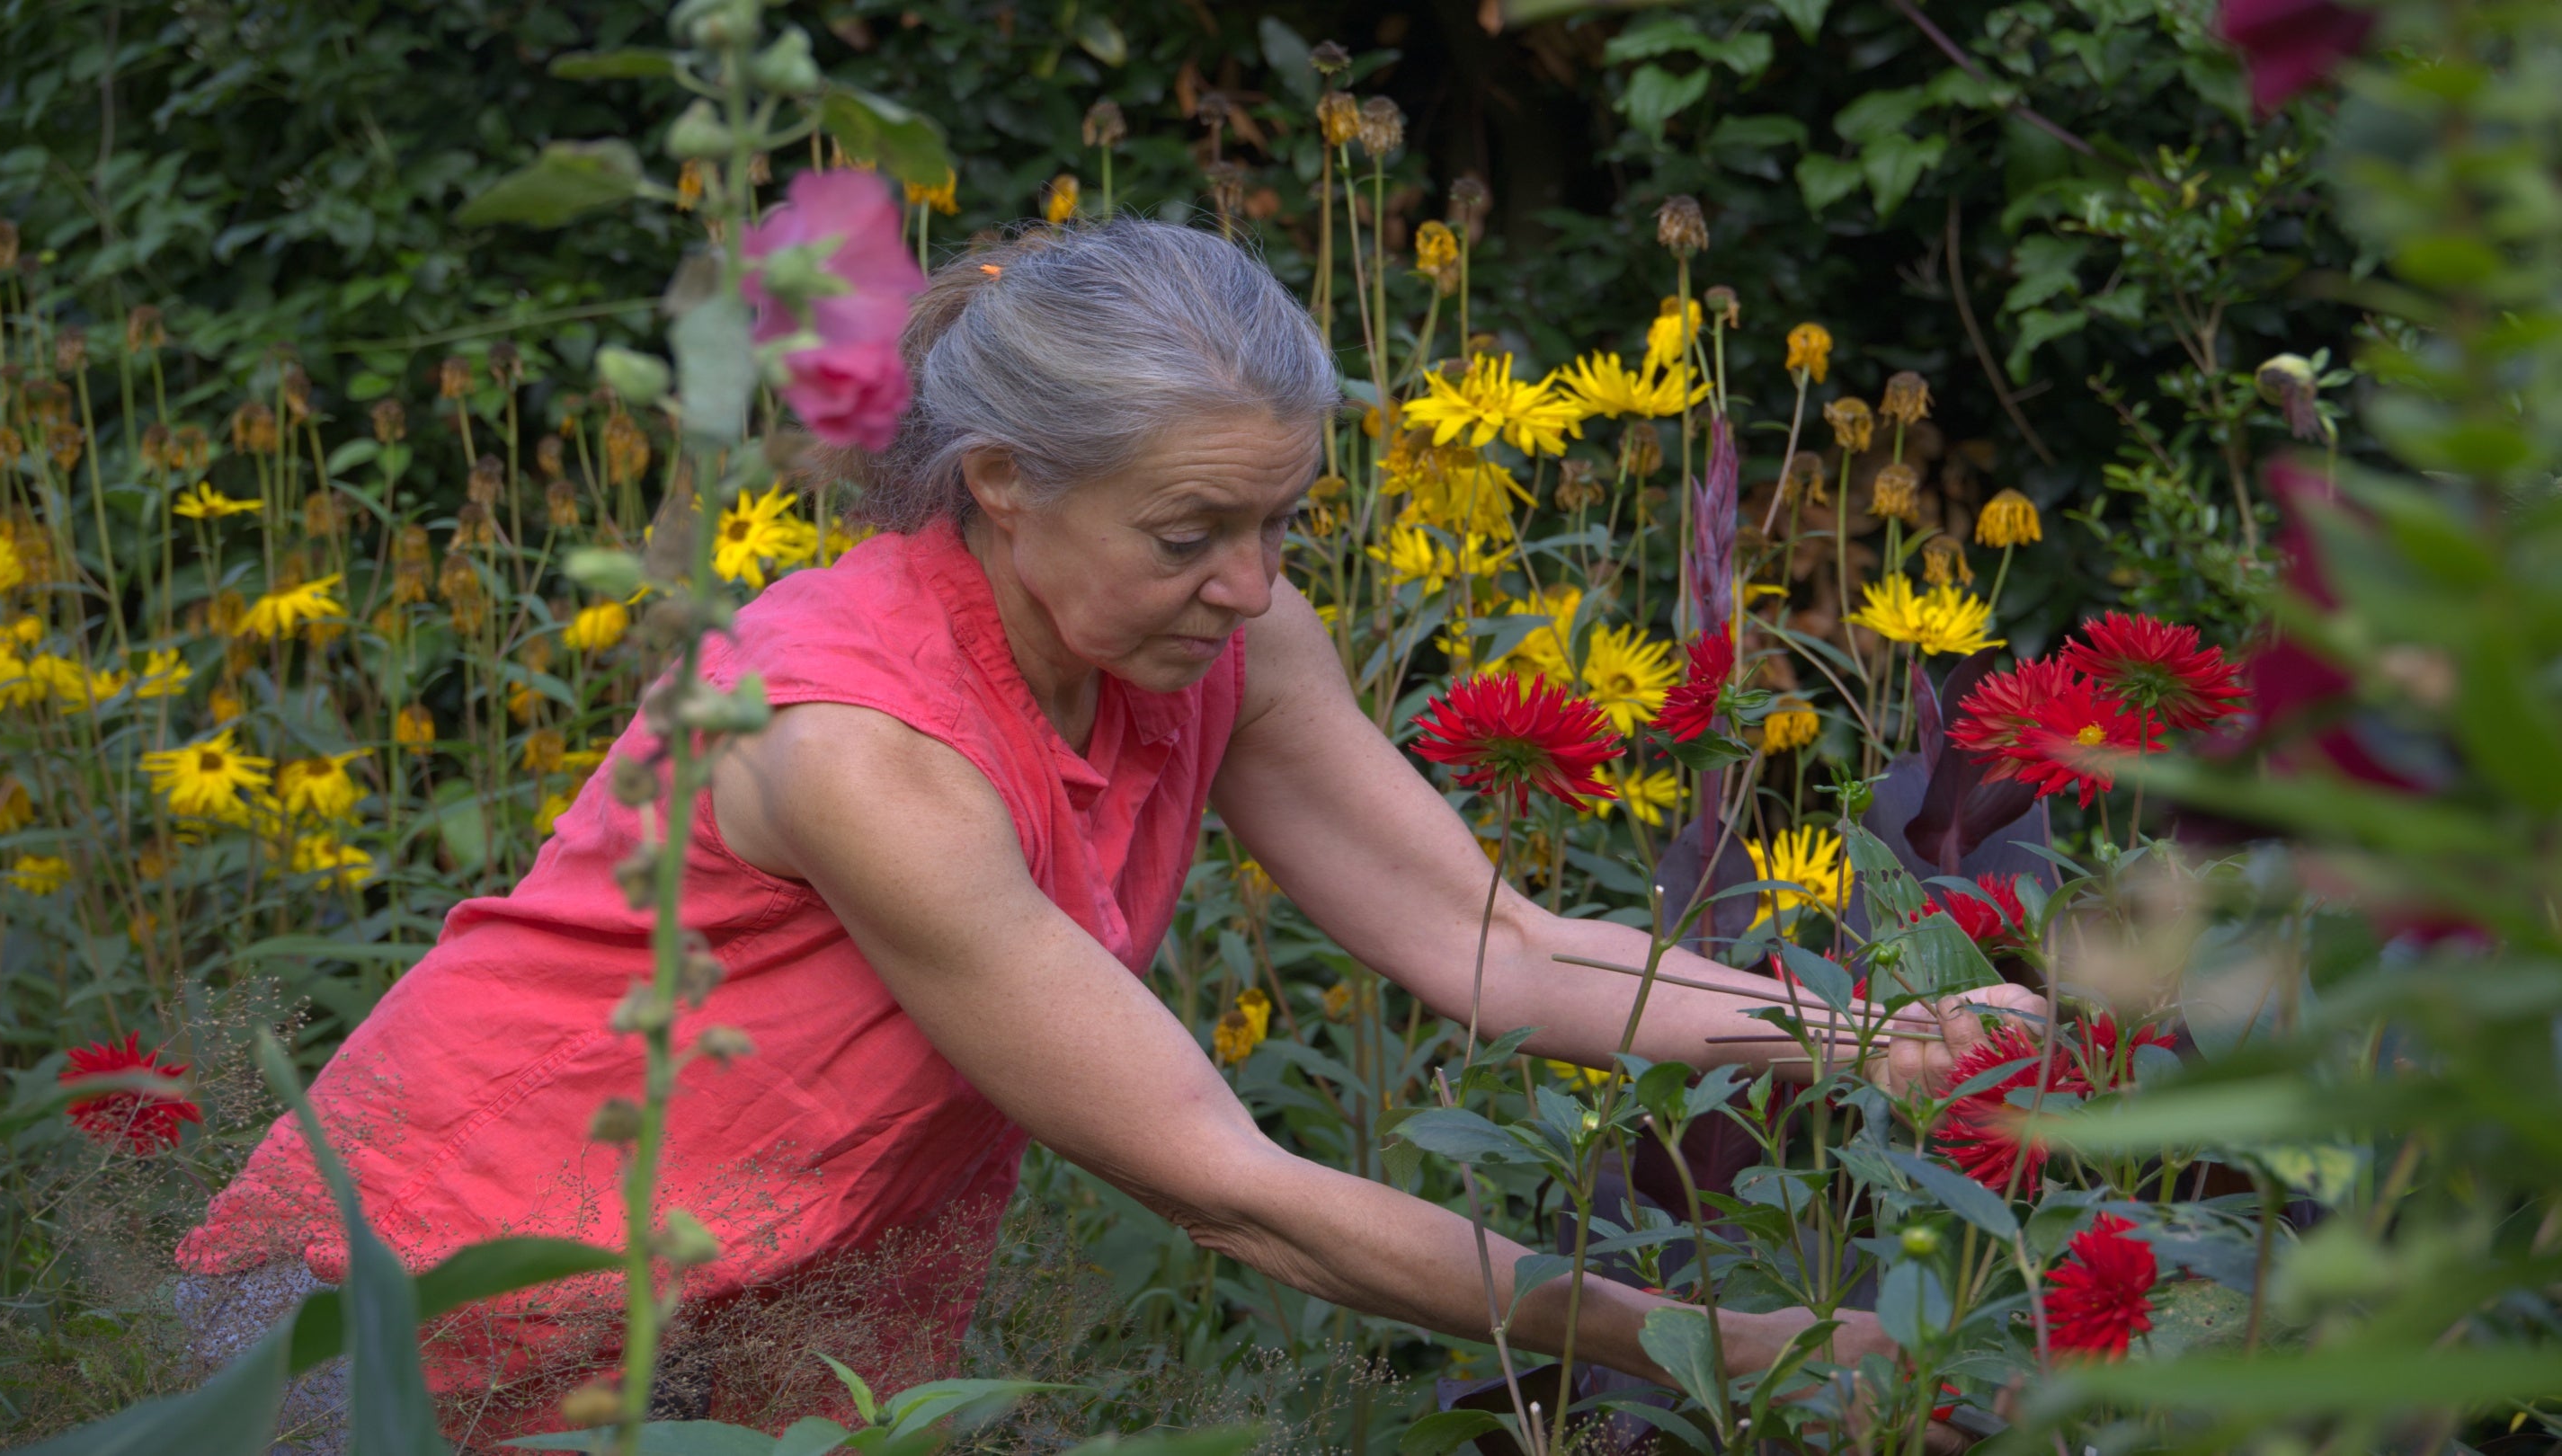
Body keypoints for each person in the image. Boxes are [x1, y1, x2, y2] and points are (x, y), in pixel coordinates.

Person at [175, 218, 2041, 1440]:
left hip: (753, 1339)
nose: (1250, 586)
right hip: (419, 1315)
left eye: (1282, 525)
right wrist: (1720, 1351)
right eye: (1189, 534)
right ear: (1000, 484)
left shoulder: (1215, 633)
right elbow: (1228, 1192)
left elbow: (1498, 947)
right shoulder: (856, 742)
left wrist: (1884, 1041)